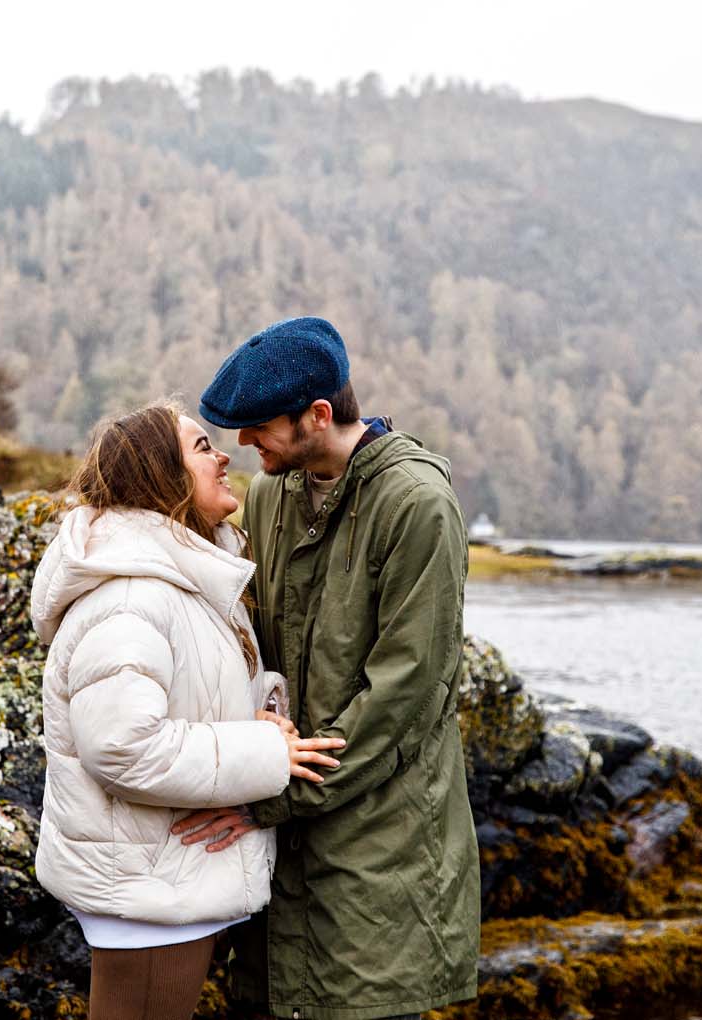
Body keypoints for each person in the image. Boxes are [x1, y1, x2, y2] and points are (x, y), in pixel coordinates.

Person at [176, 316, 481, 1020]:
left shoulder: (418, 504)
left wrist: (269, 793)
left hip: (383, 864)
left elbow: (404, 697)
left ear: (318, 414)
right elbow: (251, 650)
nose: (245, 445)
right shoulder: (270, 496)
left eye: (258, 428)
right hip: (280, 863)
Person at [30, 402, 347, 1020]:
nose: (225, 455)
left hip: (160, 879)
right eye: (202, 447)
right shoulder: (131, 597)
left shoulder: (173, 580)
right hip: (148, 894)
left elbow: (194, 694)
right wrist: (265, 754)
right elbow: (123, 745)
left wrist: (265, 717)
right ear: (160, 476)